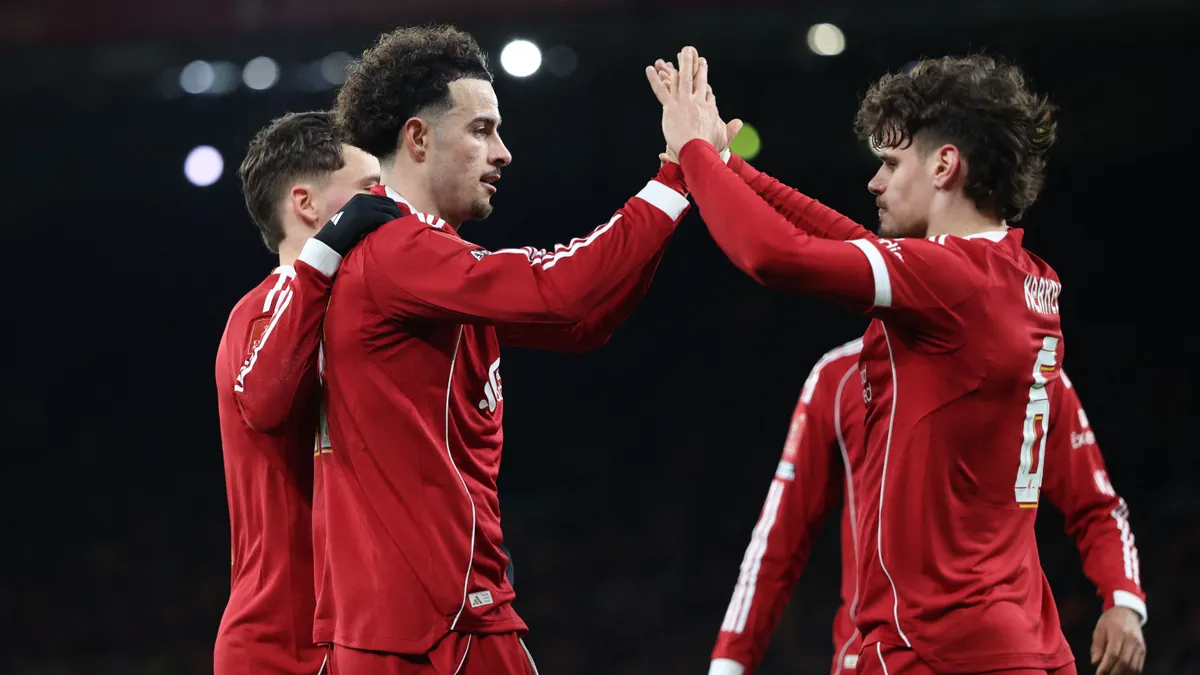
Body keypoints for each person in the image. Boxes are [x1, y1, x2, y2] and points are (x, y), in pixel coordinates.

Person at [648, 48, 1078, 673]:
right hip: (1025, 636)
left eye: (891, 163)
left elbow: (774, 255)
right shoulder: (1027, 277)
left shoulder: (952, 281)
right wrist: (728, 164)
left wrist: (690, 152)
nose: (874, 183)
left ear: (944, 165)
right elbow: (848, 240)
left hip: (935, 645)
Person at [311, 24, 699, 675]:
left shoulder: (420, 260)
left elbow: (582, 323)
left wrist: (675, 195)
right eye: (482, 130)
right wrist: (675, 174)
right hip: (435, 622)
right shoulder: (397, 250)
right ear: (418, 138)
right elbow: (563, 293)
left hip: (420, 615)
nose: (504, 152)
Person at [707, 340, 1146, 675]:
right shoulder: (839, 378)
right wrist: (729, 663)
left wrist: (1124, 601)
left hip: (1005, 652)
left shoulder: (1032, 368)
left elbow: (1097, 506)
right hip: (879, 657)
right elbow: (778, 543)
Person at [213, 110, 394, 675]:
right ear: (307, 204)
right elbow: (266, 403)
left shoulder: (367, 315)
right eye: (370, 188)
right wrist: (326, 255)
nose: (387, 202)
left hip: (366, 630)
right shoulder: (263, 309)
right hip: (282, 643)